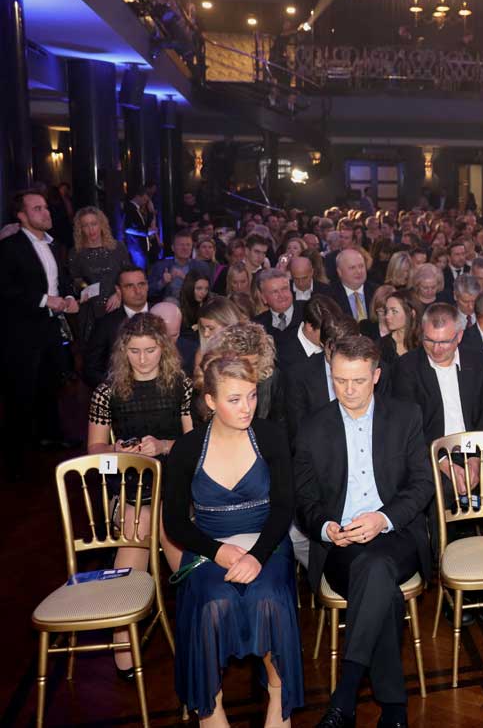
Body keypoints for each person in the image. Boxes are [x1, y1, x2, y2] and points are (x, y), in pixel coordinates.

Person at [293, 336, 433, 728]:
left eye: (358, 380)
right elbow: (304, 500)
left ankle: (345, 698)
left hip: (397, 534)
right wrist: (327, 528)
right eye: (340, 380)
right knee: (378, 580)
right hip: (342, 546)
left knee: (375, 568)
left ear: (376, 376)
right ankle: (394, 707)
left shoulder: (405, 416)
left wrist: (382, 519)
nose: (349, 390)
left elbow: (422, 485)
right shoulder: (312, 427)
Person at [163, 353, 303, 726]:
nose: (247, 408)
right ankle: (212, 703)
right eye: (235, 399)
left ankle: (278, 691)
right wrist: (218, 551)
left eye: (252, 396)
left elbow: (284, 508)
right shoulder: (187, 448)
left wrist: (257, 555)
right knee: (214, 601)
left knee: (268, 598)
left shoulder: (271, 436)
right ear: (210, 400)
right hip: (208, 548)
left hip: (267, 544)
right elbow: (174, 522)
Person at [86, 312, 192, 674]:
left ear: (163, 348)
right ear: (123, 350)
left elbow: (193, 446)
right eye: (134, 351)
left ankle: (129, 639)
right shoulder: (107, 392)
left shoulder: (180, 385)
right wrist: (118, 452)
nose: (143, 359)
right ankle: (197, 622)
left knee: (158, 521)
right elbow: (95, 455)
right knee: (143, 521)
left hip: (173, 485)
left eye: (150, 350)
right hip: (127, 489)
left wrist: (163, 445)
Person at [390, 303, 483, 519]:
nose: (436, 349)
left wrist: (476, 458)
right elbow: (409, 428)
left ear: (459, 336)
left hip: (474, 448)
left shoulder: (479, 362)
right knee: (439, 489)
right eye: (429, 340)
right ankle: (442, 541)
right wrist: (443, 463)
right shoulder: (406, 367)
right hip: (430, 453)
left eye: (444, 342)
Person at [0, 189, 79, 472]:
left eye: (45, 207)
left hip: (49, 326)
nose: (46, 212)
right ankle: (16, 454)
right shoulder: (10, 248)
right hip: (21, 331)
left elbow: (60, 280)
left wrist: (69, 297)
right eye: (37, 209)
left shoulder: (54, 244)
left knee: (51, 383)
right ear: (21, 216)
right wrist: (46, 300)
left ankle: (51, 436)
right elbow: (6, 290)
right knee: (21, 390)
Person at [283, 313, 361, 443]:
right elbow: (298, 432)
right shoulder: (299, 375)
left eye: (346, 352)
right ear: (321, 345)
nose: (339, 359)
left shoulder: (375, 371)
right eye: (332, 353)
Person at [68, 206, 132, 342]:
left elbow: (128, 275)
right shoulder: (76, 253)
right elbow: (75, 280)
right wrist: (83, 288)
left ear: (102, 224)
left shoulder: (118, 248)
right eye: (85, 225)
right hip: (90, 311)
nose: (91, 230)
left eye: (94, 224)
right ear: (80, 229)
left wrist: (119, 293)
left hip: (116, 305)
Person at [84, 265, 149, 388]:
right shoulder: (105, 324)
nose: (137, 291)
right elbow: (91, 369)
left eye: (141, 284)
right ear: (118, 290)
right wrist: (116, 388)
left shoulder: (164, 313)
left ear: (147, 286)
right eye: (129, 286)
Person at [149, 230, 210, 302]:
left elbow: (208, 292)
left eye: (188, 245)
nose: (185, 248)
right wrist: (162, 282)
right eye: (181, 245)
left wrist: (186, 278)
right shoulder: (160, 266)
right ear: (173, 248)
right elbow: (149, 292)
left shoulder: (201, 267)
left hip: (194, 303)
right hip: (169, 304)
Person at [323, 247, 380, 322]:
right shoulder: (329, 297)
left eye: (361, 266)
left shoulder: (377, 292)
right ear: (339, 272)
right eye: (352, 268)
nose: (359, 271)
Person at [253, 268, 306, 345]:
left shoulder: (309, 311)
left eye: (284, 289)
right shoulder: (257, 326)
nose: (281, 295)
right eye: (274, 292)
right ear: (264, 298)